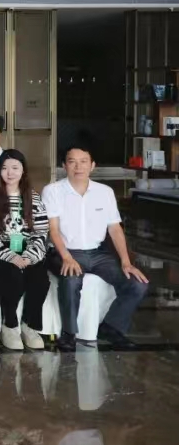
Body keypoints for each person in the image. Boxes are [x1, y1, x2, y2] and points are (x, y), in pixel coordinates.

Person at [43, 145, 150, 352]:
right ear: (64, 165)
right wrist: (66, 257)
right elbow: (53, 229)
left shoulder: (105, 192)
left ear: (92, 166)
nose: (78, 167)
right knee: (71, 279)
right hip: (63, 252)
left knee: (138, 284)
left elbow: (115, 229)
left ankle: (110, 327)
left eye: (83, 161)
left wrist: (126, 262)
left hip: (98, 253)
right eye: (72, 162)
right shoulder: (53, 191)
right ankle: (69, 333)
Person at [0, 149, 49, 351]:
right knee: (12, 276)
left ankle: (29, 325)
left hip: (27, 250)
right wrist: (9, 256)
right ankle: (9, 326)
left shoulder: (33, 198)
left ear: (23, 171)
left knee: (40, 279)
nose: (9, 173)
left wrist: (29, 256)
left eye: (15, 168)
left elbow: (41, 232)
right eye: (4, 168)